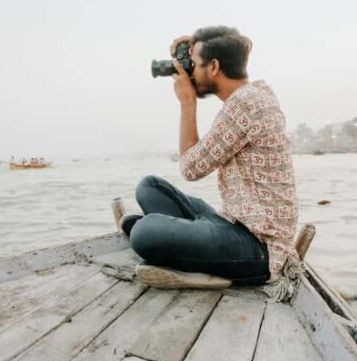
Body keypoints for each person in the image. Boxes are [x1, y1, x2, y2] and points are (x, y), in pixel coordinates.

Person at [117, 26, 297, 292]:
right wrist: (197, 44)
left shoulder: (244, 104)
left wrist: (188, 103)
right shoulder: (260, 91)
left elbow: (190, 169)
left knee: (144, 233)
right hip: (233, 221)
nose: (190, 72)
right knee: (150, 186)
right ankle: (179, 239)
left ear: (214, 67)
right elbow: (241, 45)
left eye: (195, 65)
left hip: (258, 248)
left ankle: (180, 248)